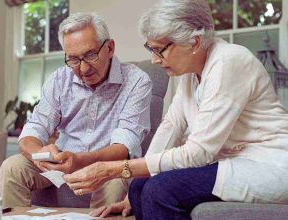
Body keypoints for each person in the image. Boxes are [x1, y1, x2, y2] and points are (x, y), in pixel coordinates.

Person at [63, 0, 288, 219]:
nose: (154, 59)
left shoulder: (229, 62)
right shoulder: (191, 74)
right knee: (140, 186)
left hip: (268, 164)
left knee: (160, 191)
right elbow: (171, 127)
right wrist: (133, 190)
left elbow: (198, 153)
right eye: (151, 49)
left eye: (160, 50)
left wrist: (112, 169)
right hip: (233, 161)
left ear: (195, 42)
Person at [0, 12, 152, 208]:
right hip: (62, 165)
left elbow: (124, 147)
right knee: (12, 167)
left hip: (108, 167)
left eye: (90, 55)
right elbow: (35, 127)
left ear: (110, 48)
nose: (83, 68)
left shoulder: (137, 81)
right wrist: (40, 153)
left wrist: (79, 161)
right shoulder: (59, 79)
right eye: (73, 59)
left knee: (114, 180)